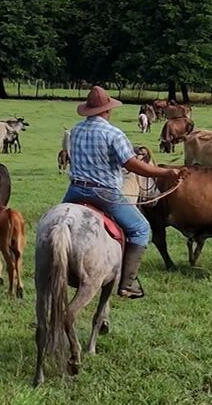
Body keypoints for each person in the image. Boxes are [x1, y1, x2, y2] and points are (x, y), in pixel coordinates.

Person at [65, 86, 181, 298]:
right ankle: (127, 283)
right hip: (104, 193)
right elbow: (134, 165)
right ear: (107, 110)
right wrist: (166, 173)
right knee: (141, 228)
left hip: (74, 191)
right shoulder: (113, 133)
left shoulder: (76, 130)